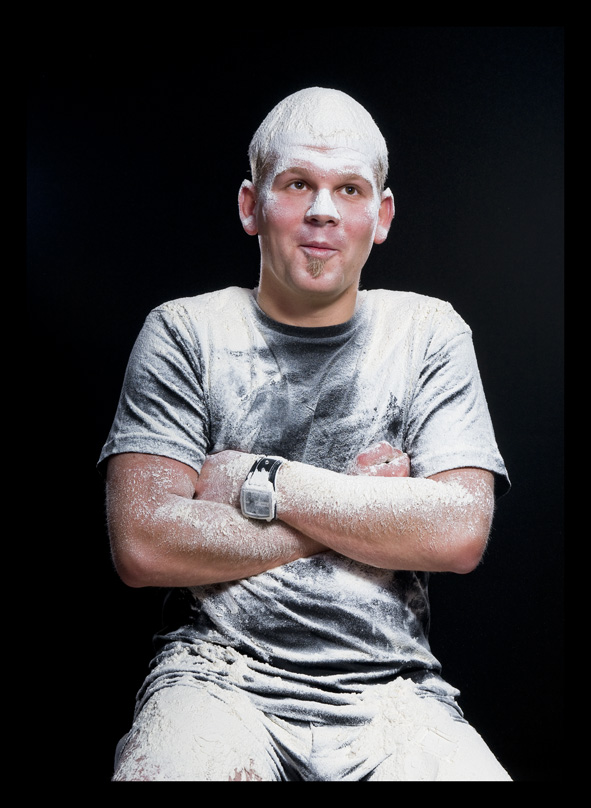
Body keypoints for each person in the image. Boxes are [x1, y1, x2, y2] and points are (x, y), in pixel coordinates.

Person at [99, 87, 512, 781]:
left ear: (380, 216)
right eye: (297, 184)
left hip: (392, 692)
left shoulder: (428, 333)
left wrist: (263, 481)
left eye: (349, 188)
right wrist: (362, 502)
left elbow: (460, 531)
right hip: (215, 678)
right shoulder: (184, 332)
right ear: (250, 205)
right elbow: (142, 543)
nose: (323, 209)